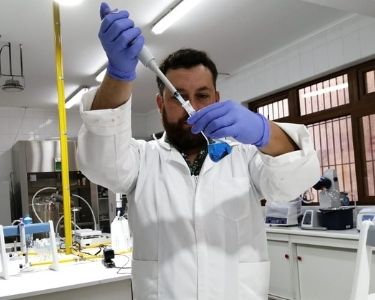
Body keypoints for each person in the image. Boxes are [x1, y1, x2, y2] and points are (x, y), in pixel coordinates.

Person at [77, 3, 320, 300]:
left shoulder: (245, 158)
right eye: (177, 97)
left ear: (217, 98)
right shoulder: (142, 160)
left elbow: (292, 181)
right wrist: (118, 75)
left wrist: (263, 131)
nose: (190, 106)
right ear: (159, 104)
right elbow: (101, 163)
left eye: (202, 96)